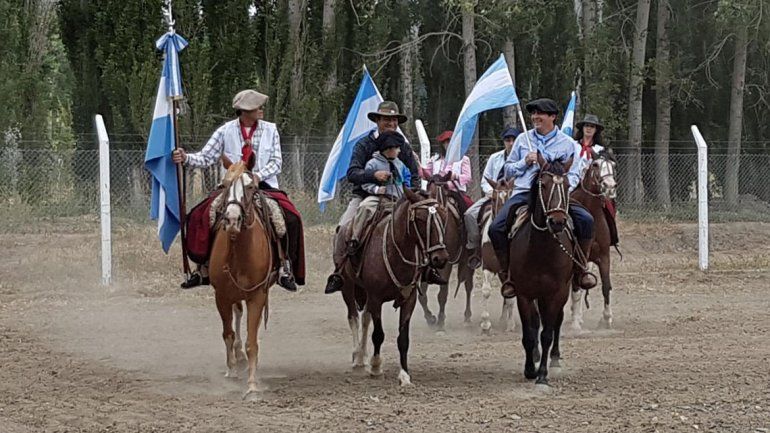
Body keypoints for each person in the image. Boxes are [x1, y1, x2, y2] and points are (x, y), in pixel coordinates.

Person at [172, 89, 305, 292]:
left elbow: (276, 162)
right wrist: (186, 157)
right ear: (245, 111)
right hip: (231, 186)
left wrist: (258, 176)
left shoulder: (271, 130)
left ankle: (284, 266)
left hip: (263, 185)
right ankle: (202, 267)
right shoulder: (225, 131)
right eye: (257, 107)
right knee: (200, 215)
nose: (261, 110)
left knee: (291, 217)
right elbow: (206, 157)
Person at [324, 101, 445, 294]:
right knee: (343, 227)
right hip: (366, 195)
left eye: (394, 119)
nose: (391, 123)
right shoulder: (364, 144)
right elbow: (352, 173)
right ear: (377, 120)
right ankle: (340, 271)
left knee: (421, 223)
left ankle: (426, 267)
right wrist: (373, 176)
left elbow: (414, 174)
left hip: (400, 198)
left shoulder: (402, 146)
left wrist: (412, 194)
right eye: (386, 119)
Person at [487, 98, 596, 297]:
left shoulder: (568, 144)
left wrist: (561, 188)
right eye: (533, 113)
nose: (535, 117)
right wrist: (524, 162)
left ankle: (581, 270)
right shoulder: (522, 140)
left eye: (540, 113)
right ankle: (508, 274)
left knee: (586, 220)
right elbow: (508, 170)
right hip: (524, 193)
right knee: (495, 228)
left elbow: (574, 173)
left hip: (557, 196)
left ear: (552, 117)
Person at [463, 127, 521, 269]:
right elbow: (485, 179)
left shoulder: (523, 159)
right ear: (504, 142)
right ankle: (476, 248)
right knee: (469, 214)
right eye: (508, 140)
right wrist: (490, 191)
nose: (511, 143)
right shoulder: (495, 158)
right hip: (495, 195)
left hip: (514, 197)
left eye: (514, 140)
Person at [347, 131, 411, 254]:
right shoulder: (373, 164)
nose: (399, 151)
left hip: (398, 198)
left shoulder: (399, 164)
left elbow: (407, 175)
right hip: (378, 198)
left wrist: (406, 189)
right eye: (397, 148)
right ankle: (355, 237)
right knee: (365, 207)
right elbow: (365, 183)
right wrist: (376, 189)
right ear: (389, 149)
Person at [573, 114, 619, 246]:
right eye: (587, 126)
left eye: (592, 127)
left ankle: (611, 235)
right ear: (582, 128)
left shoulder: (600, 149)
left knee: (608, 206)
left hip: (593, 186)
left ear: (595, 130)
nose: (589, 129)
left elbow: (607, 168)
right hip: (573, 182)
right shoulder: (573, 145)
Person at [419, 130, 473, 200]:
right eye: (446, 142)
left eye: (450, 142)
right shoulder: (434, 159)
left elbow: (467, 177)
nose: (448, 145)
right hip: (436, 192)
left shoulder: (463, 159)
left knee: (469, 204)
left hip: (456, 192)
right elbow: (427, 173)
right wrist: (420, 168)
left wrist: (455, 176)